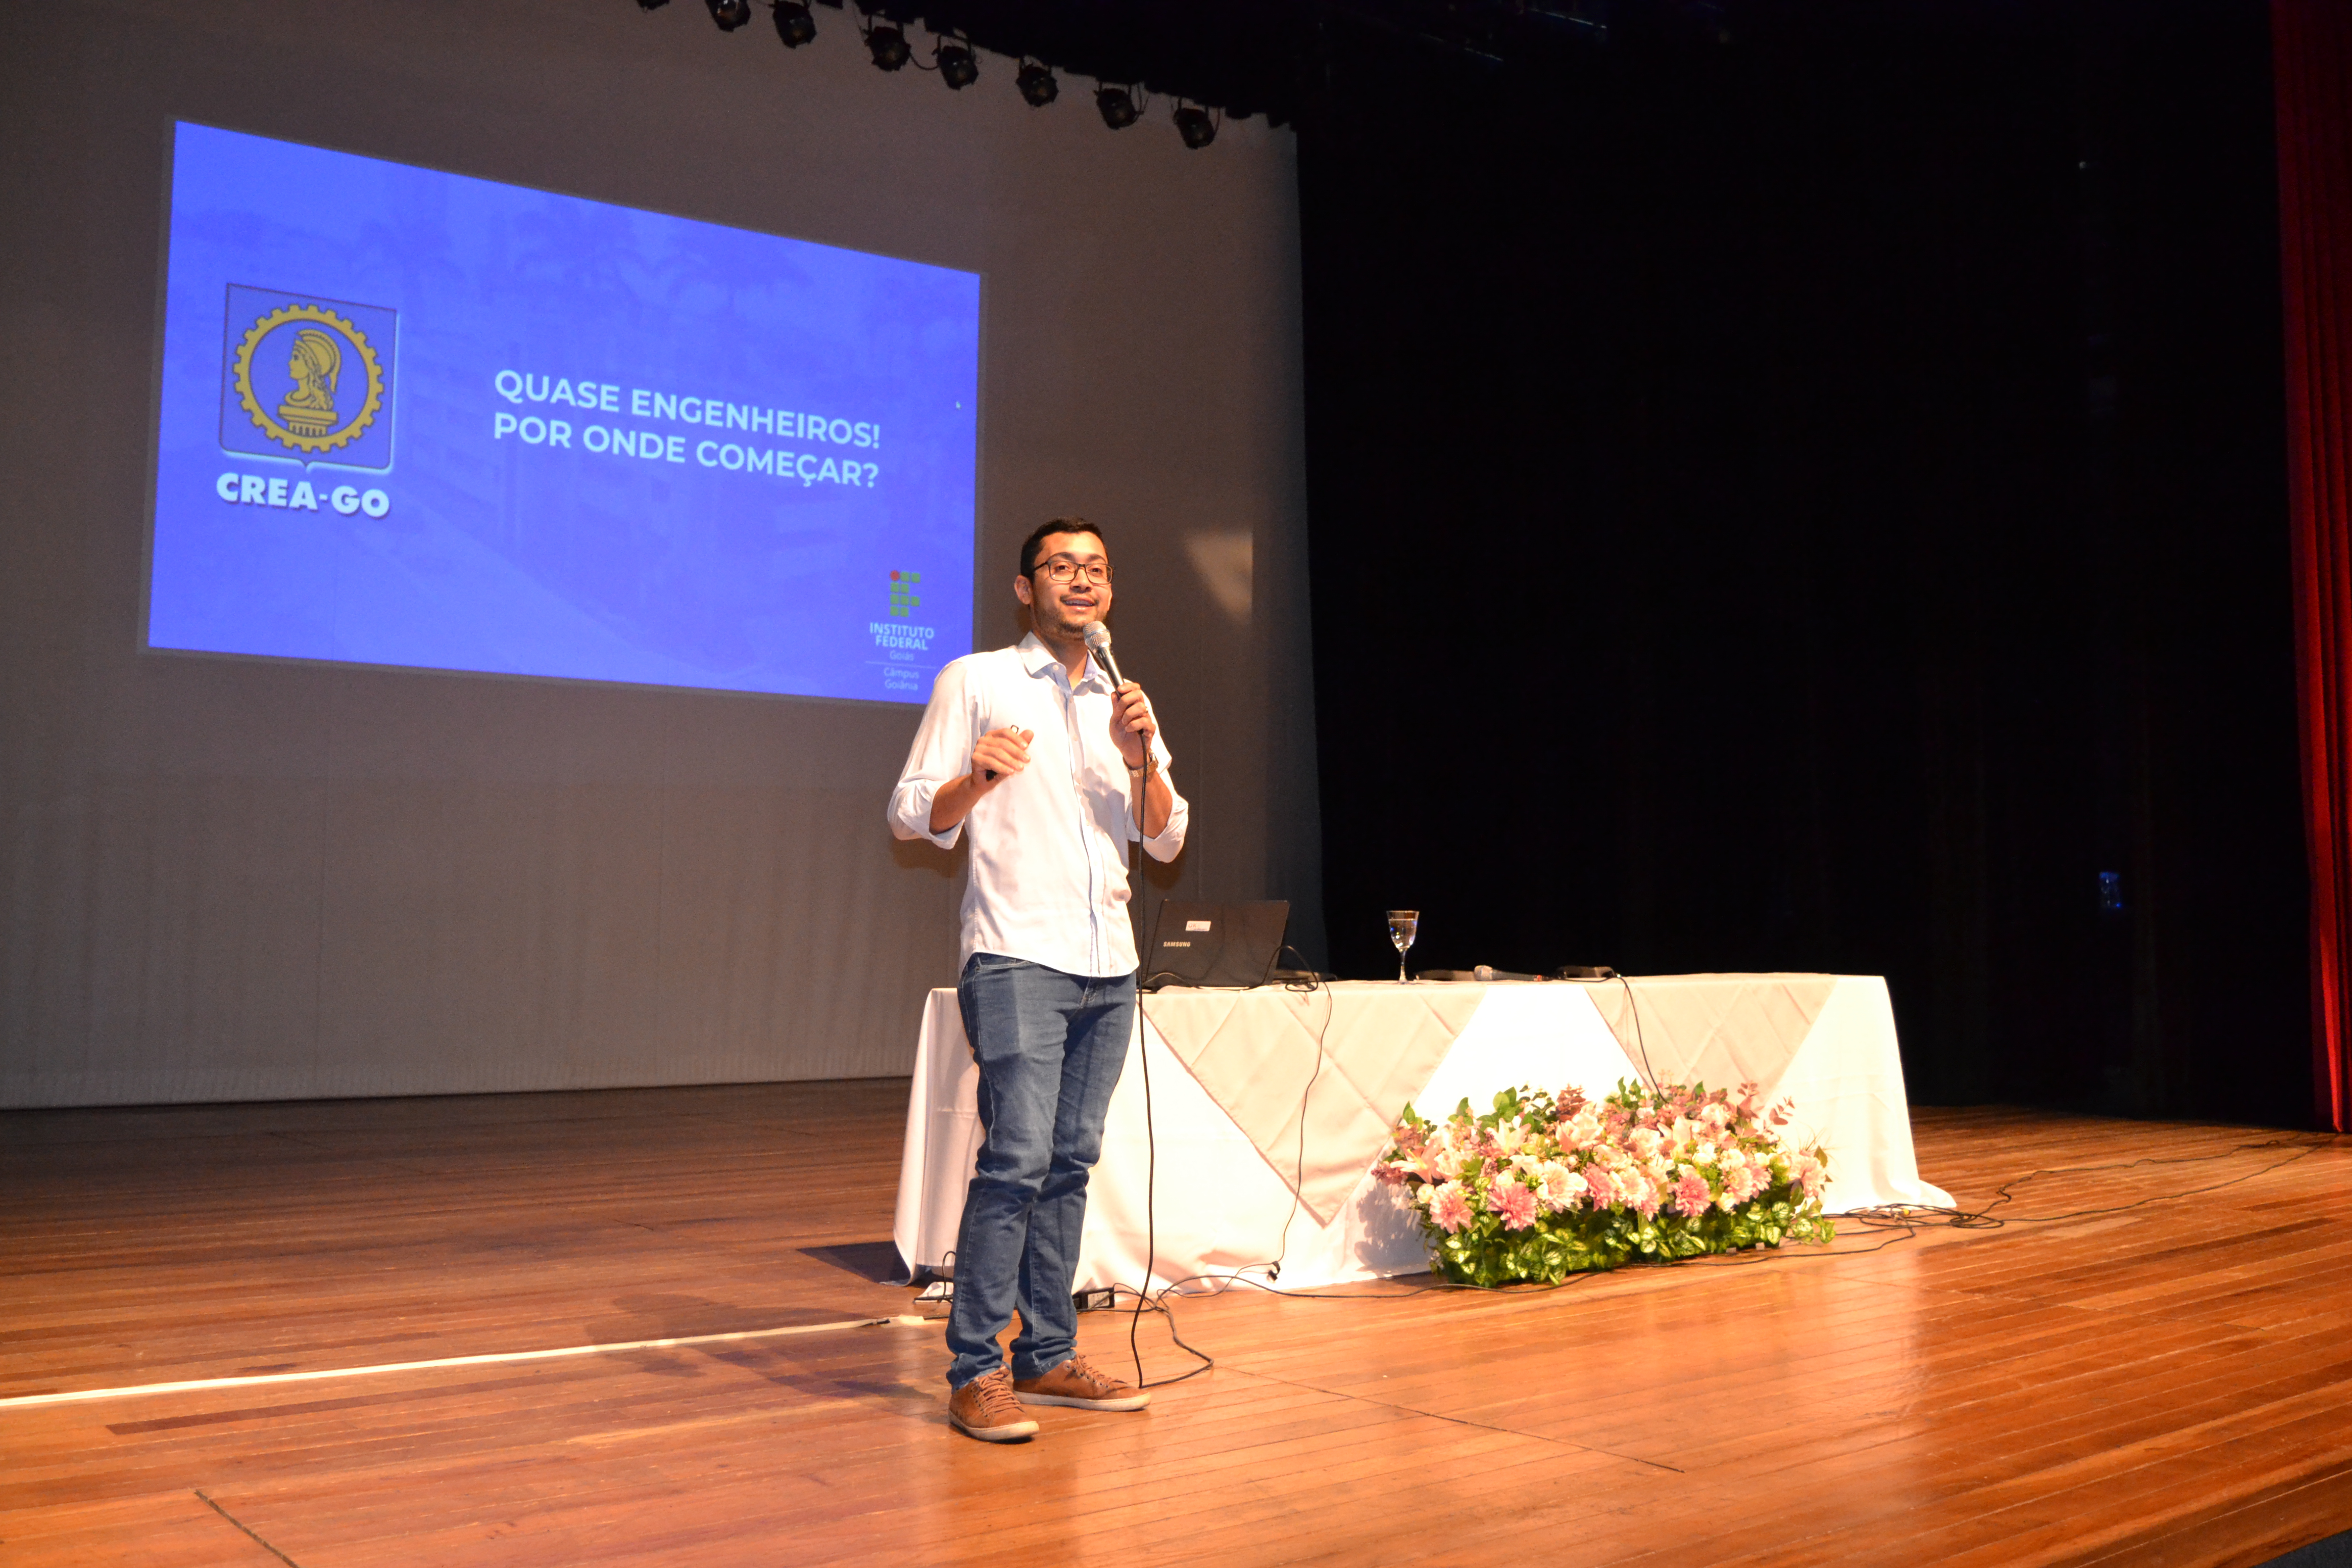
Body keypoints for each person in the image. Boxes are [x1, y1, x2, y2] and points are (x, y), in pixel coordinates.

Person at [888, 517, 1188, 1442]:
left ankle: (1049, 1355)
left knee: (1069, 1163)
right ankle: (976, 1370)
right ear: (1027, 588)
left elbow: (1167, 835)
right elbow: (909, 814)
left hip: (1112, 963)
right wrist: (976, 778)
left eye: (1097, 568)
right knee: (1016, 1159)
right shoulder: (975, 680)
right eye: (1062, 567)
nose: (1082, 581)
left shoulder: (1122, 698)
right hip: (1018, 952)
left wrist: (1141, 759)